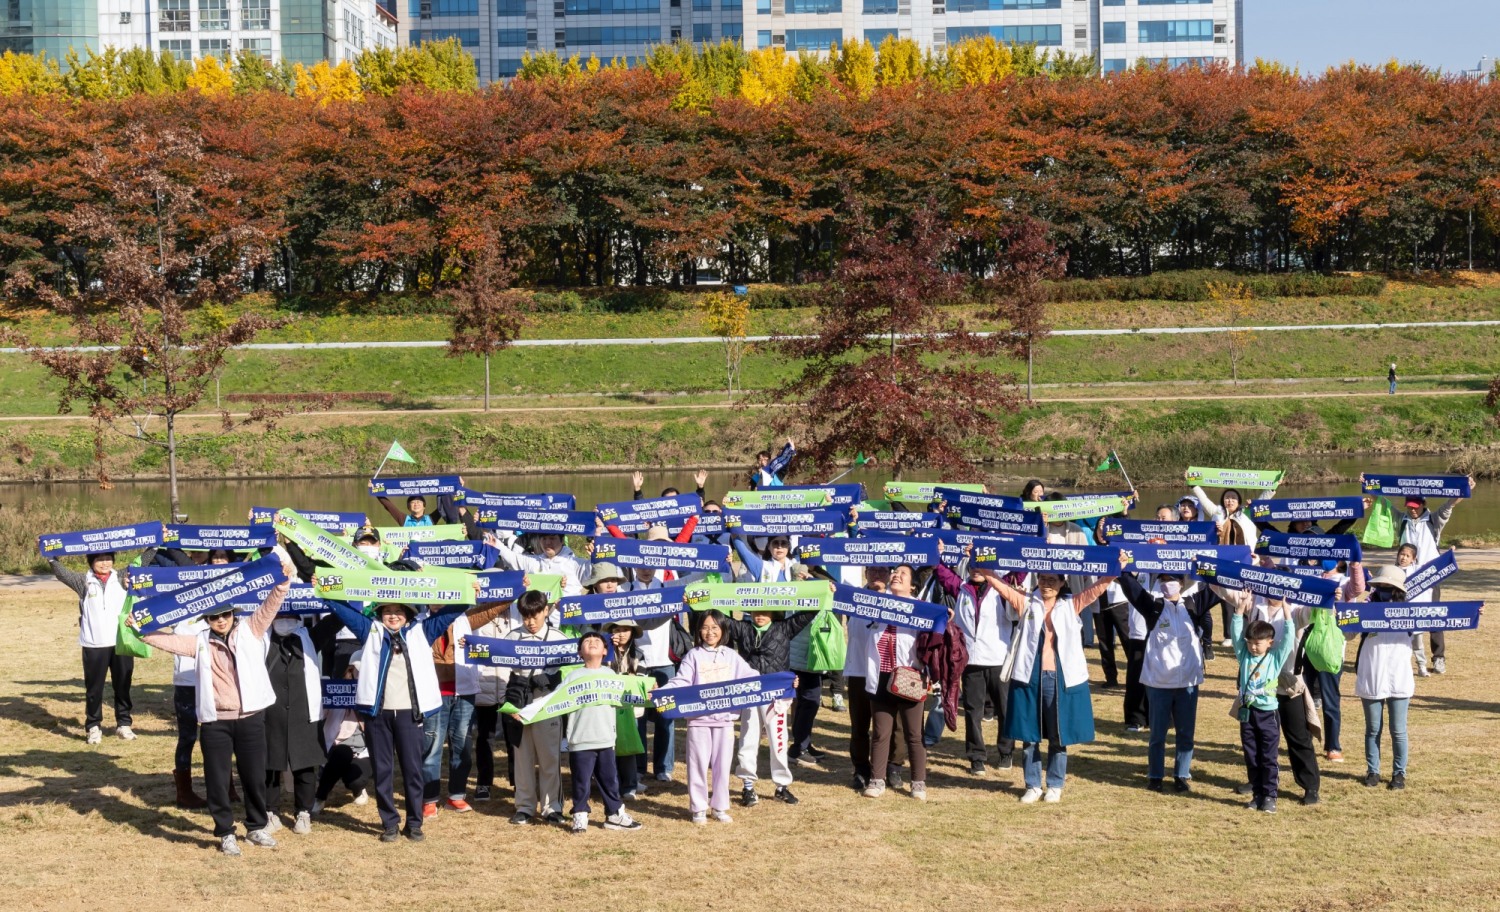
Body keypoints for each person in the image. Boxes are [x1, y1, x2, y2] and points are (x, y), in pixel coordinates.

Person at [138, 553, 295, 855]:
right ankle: (225, 832)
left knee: (254, 776)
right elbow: (164, 640)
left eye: (225, 615)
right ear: (207, 620)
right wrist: (140, 627)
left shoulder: (251, 629)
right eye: (214, 617)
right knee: (218, 779)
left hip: (250, 718)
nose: (221, 620)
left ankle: (256, 827)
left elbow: (272, 603)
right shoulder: (198, 642)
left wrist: (284, 579)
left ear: (234, 614)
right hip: (215, 722)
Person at [320, 592, 472, 843]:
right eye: (387, 611)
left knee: (413, 771)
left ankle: (414, 823)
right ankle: (389, 823)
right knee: (382, 771)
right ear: (380, 614)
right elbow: (344, 611)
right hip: (377, 715)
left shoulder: (421, 631)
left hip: (409, 714)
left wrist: (468, 593)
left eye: (399, 611)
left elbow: (449, 613)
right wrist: (325, 592)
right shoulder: (370, 631)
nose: (393, 615)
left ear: (408, 614)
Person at [980, 569, 1116, 804]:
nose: (1046, 584)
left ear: (1062, 582)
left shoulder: (1071, 604)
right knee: (1028, 735)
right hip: (1029, 676)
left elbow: (1097, 589)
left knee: (1058, 734)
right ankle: (1032, 785)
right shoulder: (1026, 602)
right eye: (1042, 579)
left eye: (1052, 580)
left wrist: (1115, 570)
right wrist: (982, 566)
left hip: (1059, 677)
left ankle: (1055, 784)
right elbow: (999, 585)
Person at [1118, 568, 1223, 793]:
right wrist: (1124, 568)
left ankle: (1181, 775)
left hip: (1188, 682)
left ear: (1182, 582)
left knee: (1185, 733)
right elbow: (1131, 588)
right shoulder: (1153, 606)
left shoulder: (1194, 604)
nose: (1167, 584)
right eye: (1163, 580)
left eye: (1172, 579)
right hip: (1159, 682)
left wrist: (1206, 566)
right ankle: (1155, 775)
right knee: (1157, 734)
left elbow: (1220, 586)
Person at [421, 597, 512, 819]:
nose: (438, 601)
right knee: (432, 746)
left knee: (462, 745)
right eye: (434, 596)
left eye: (443, 596)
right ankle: (429, 799)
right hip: (434, 693)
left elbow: (490, 610)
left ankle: (456, 795)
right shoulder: (418, 623)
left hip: (464, 692)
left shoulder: (464, 618)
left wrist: (515, 589)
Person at [665, 610, 757, 823]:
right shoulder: (693, 655)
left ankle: (719, 807)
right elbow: (681, 681)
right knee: (697, 765)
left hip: (725, 721)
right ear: (698, 630)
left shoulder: (731, 656)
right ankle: (698, 807)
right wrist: (662, 691)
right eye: (705, 628)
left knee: (722, 766)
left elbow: (751, 677)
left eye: (715, 627)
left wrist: (781, 682)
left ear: (723, 630)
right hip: (698, 721)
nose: (710, 632)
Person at [932, 547, 1016, 777]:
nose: (976, 569)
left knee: (1005, 709)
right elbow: (940, 570)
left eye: (981, 565)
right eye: (972, 566)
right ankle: (976, 756)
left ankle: (1006, 752)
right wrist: (936, 552)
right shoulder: (960, 588)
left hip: (998, 659)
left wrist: (1038, 539)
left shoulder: (1001, 587)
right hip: (971, 661)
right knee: (972, 711)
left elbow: (1021, 570)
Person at [1382, 475, 1475, 675]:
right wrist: (1370, 485)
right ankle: (1401, 656)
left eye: (1416, 506)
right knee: (1402, 616)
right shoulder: (1402, 520)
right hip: (1405, 578)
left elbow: (1450, 504)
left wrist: (1464, 487)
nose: (1412, 510)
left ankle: (1438, 657)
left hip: (1431, 576)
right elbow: (1384, 504)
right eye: (1409, 506)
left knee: (1433, 615)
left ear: (1423, 504)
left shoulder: (1433, 519)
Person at [263, 610, 343, 836]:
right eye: (279, 617)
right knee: (269, 764)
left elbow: (337, 619)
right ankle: (271, 812)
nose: (284, 622)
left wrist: (330, 594)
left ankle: (303, 812)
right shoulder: (261, 639)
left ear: (298, 619)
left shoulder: (309, 637)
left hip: (304, 711)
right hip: (271, 712)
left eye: (289, 618)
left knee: (305, 765)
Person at [48, 550, 135, 744]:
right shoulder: (84, 581)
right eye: (99, 560)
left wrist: (156, 541)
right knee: (94, 689)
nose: (105, 563)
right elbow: (63, 574)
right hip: (94, 643)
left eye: (108, 559)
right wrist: (50, 555)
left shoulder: (122, 577)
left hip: (121, 641)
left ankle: (124, 723)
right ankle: (93, 726)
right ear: (91, 562)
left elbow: (143, 562)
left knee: (123, 684)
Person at [502, 590, 571, 826]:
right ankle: (524, 806)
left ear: (545, 611)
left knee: (549, 756)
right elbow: (498, 665)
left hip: (546, 701)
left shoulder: (557, 637)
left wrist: (551, 680)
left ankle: (553, 807)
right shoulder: (512, 637)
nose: (531, 622)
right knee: (523, 757)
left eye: (535, 615)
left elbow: (570, 666)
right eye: (525, 616)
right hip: (520, 700)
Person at [563, 631, 643, 833]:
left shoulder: (611, 675)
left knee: (610, 779)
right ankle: (580, 815)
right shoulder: (572, 676)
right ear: (579, 652)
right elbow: (555, 702)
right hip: (580, 739)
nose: (592, 642)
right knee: (581, 782)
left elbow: (625, 698)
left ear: (605, 651)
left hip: (606, 738)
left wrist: (645, 692)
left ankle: (614, 814)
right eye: (587, 641)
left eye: (597, 640)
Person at [1230, 592, 1298, 813]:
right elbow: (1235, 633)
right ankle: (1257, 794)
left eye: (1257, 643)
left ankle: (1270, 796)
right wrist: (1240, 609)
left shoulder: (1275, 658)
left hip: (1268, 714)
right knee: (1251, 755)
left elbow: (1288, 639)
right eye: (1250, 643)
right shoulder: (1243, 655)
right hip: (1247, 713)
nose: (1253, 647)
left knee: (1268, 757)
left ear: (1270, 642)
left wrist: (1287, 614)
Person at [313, 664, 371, 813]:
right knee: (343, 752)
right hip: (337, 748)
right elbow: (320, 714)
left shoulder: (371, 692)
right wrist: (323, 695)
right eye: (358, 672)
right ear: (351, 671)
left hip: (362, 751)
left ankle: (358, 789)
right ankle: (320, 797)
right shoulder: (336, 691)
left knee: (356, 779)